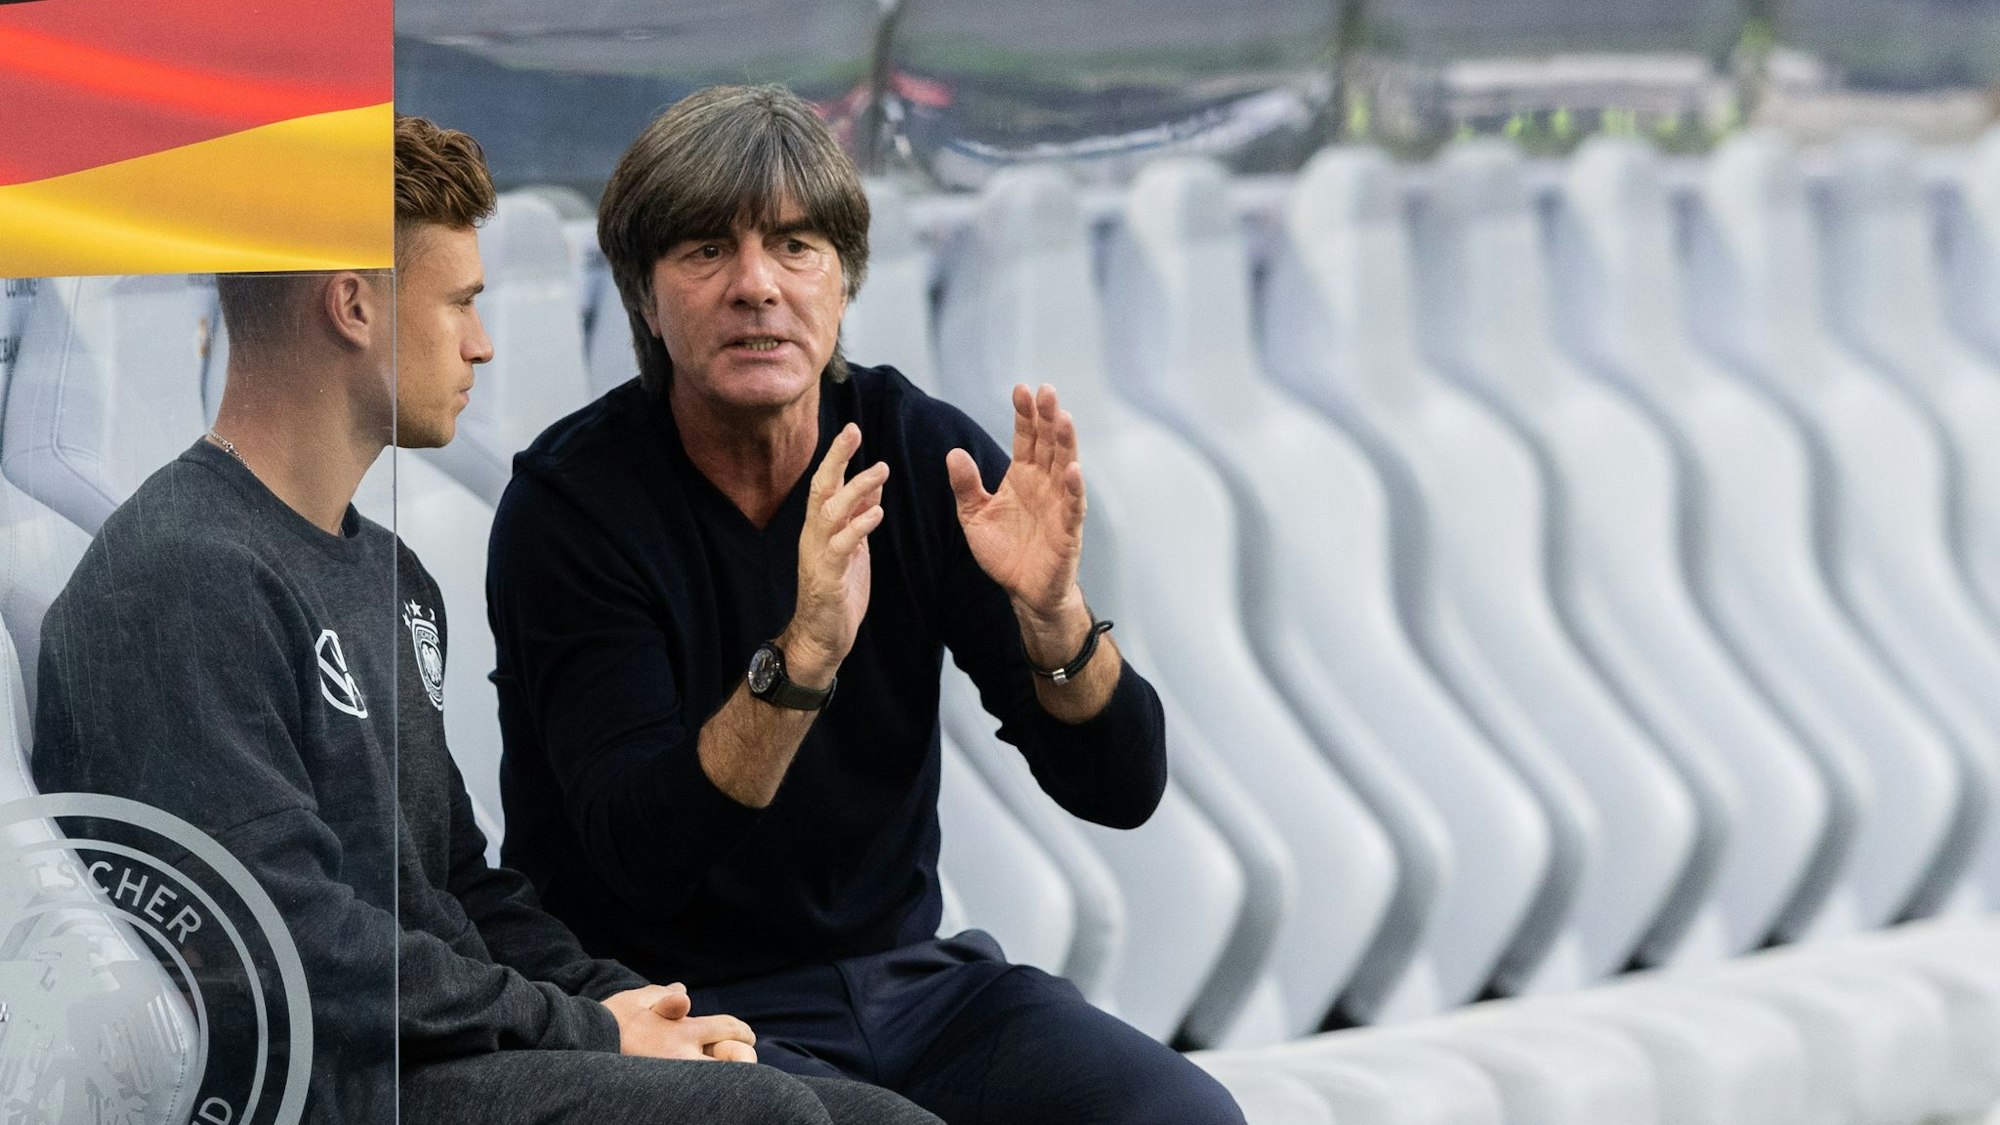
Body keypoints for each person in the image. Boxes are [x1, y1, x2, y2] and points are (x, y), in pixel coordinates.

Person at [33, 112, 939, 1125]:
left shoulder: (391, 578)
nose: (482, 343)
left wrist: (620, 1002)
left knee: (877, 1117)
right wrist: (585, 1033)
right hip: (343, 1093)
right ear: (353, 306)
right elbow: (277, 937)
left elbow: (461, 882)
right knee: (771, 1119)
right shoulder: (179, 575)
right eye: (460, 303)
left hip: (450, 1063)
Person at [486, 84, 1247, 1125]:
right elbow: (640, 857)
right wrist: (800, 659)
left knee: (1181, 1116)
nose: (756, 286)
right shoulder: (571, 506)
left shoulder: (919, 451)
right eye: (705, 250)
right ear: (644, 297)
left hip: (910, 987)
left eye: (795, 246)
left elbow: (1119, 788)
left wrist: (1053, 620)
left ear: (843, 280)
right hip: (674, 1015)